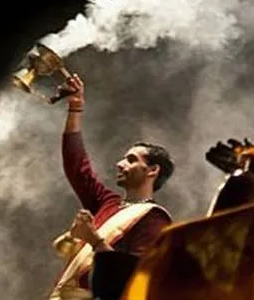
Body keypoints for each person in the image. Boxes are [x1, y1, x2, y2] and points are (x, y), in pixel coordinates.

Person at [48, 74, 174, 300]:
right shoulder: (107, 203)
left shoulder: (154, 218)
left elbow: (133, 281)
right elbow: (77, 168)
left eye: (131, 159)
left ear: (152, 170)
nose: (120, 164)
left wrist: (94, 239)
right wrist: (75, 108)